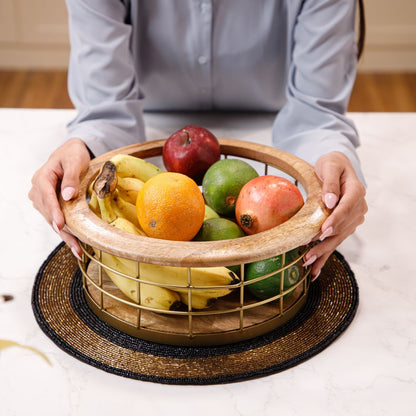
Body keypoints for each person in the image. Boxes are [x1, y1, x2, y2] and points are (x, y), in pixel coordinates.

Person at [29, 0, 367, 281]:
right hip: (146, 138)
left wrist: (330, 161)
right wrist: (83, 149)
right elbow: (105, 112)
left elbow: (316, 113)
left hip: (278, 151)